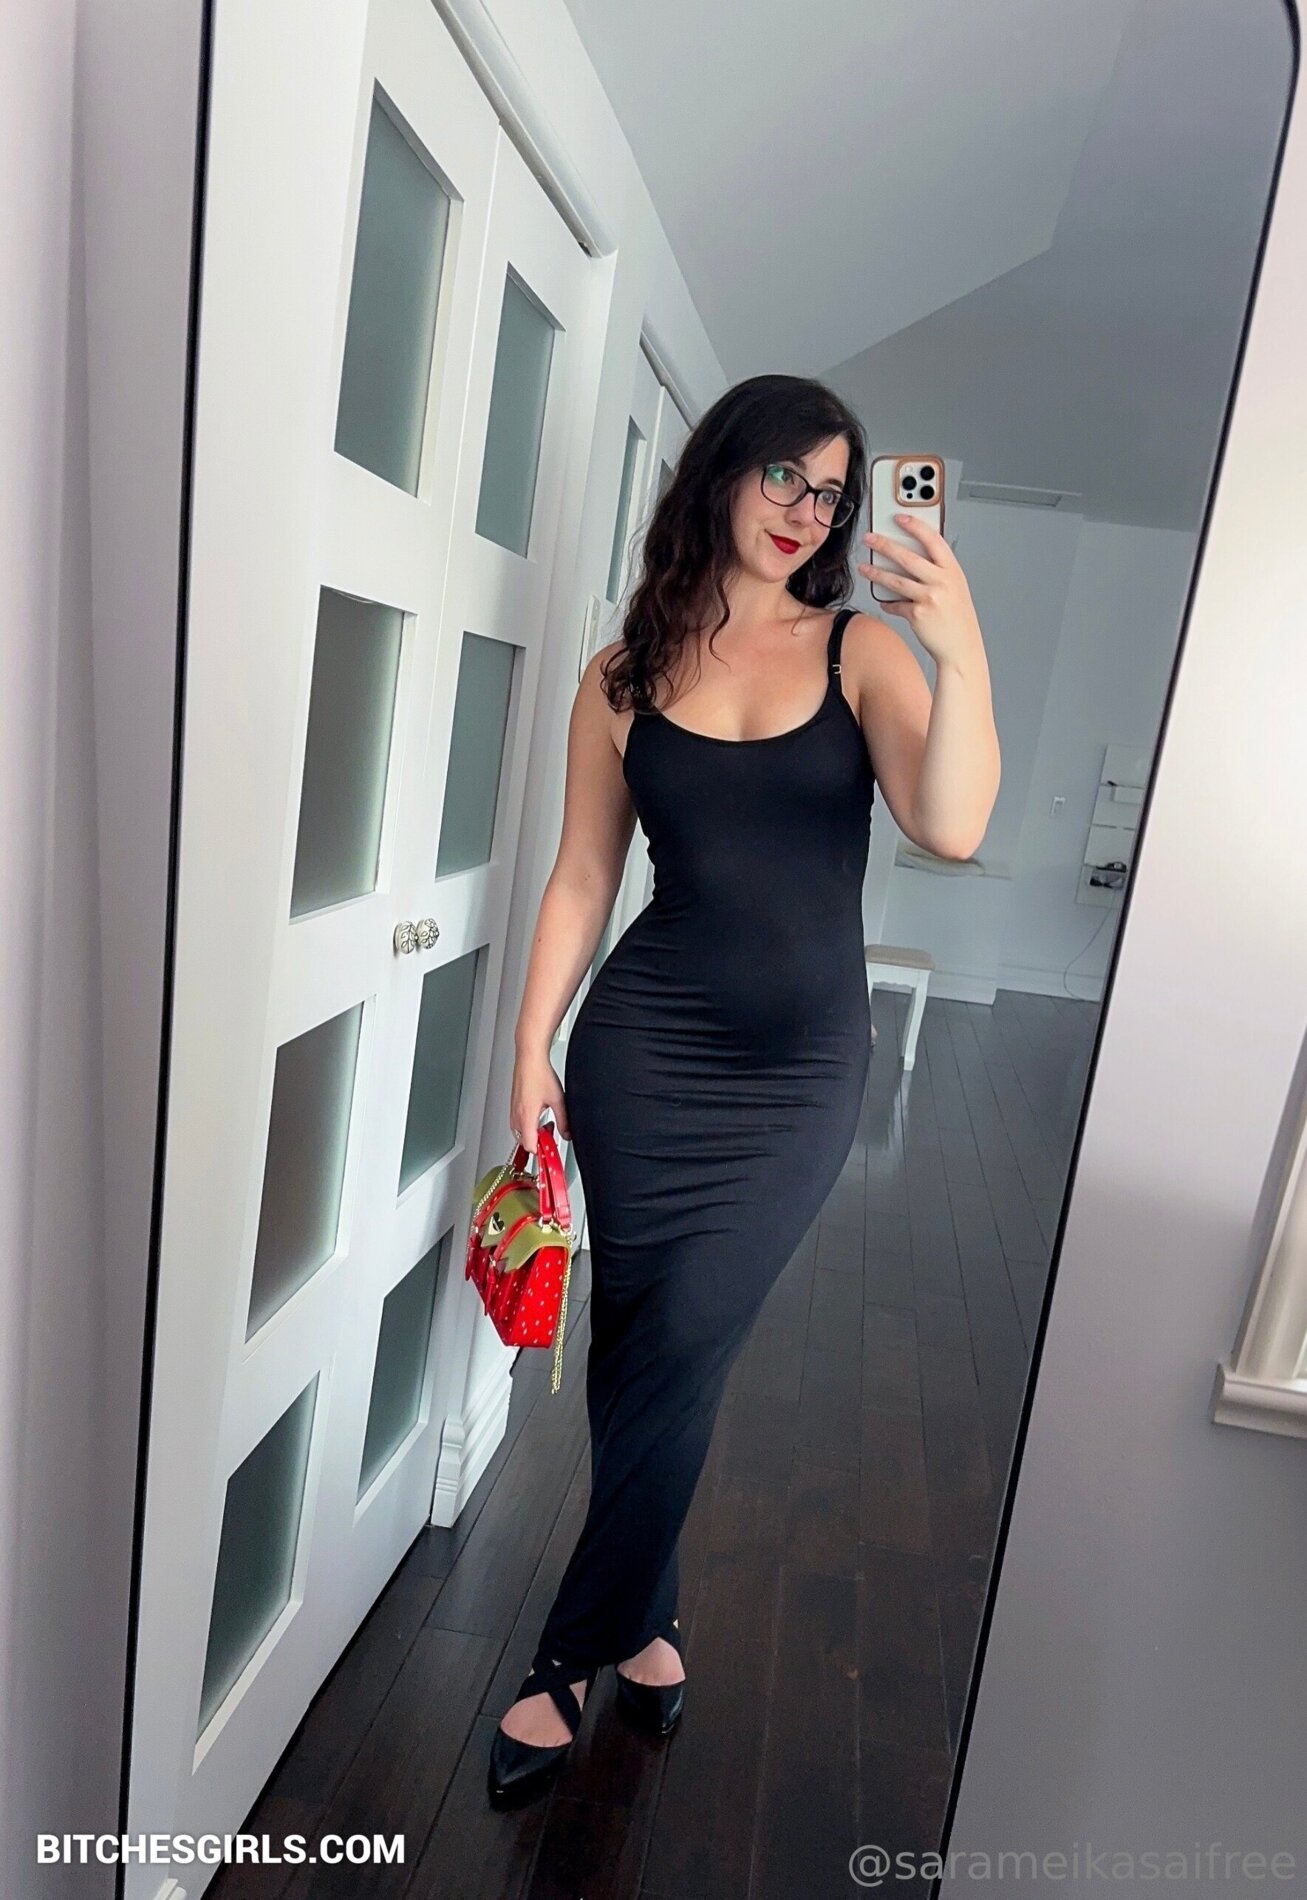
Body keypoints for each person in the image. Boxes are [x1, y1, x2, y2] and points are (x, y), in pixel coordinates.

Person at [487, 373, 993, 1806]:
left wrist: (960, 651)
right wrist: (531, 1044)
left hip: (799, 1073)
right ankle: (645, 1619)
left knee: (689, 1330)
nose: (807, 512)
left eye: (832, 493)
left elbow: (952, 826)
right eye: (786, 477)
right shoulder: (623, 674)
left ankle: (563, 1657)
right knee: (644, 1340)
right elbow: (585, 872)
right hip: (645, 1050)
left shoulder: (862, 652)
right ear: (721, 471)